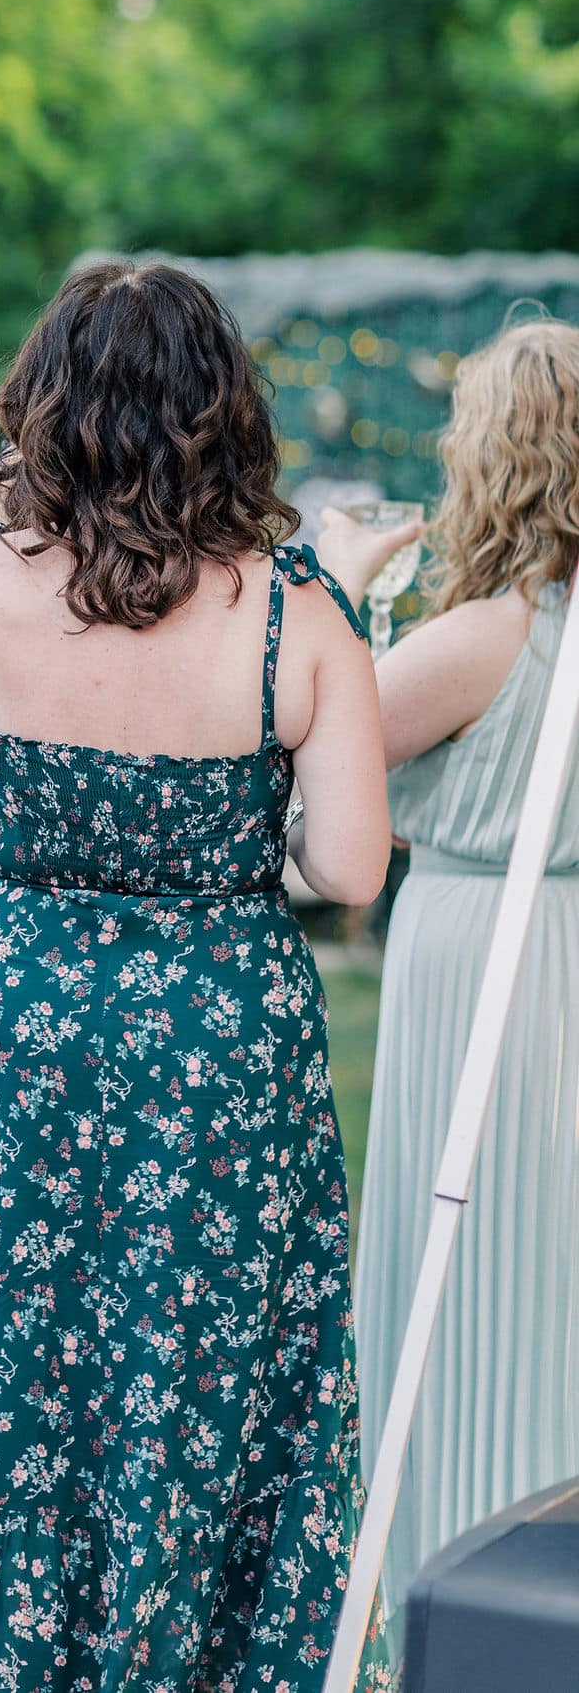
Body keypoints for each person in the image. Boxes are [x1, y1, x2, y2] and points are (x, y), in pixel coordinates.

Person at [0, 262, 395, 1692]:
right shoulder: (298, 616)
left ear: (44, 414)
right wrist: (352, 609)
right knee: (197, 1374)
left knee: (0, 1359)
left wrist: (15, 475)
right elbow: (352, 868)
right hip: (215, 1029)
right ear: (226, 415)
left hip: (23, 1014)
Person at [320, 317, 579, 1631]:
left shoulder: (489, 636)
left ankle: (440, 1568)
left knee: (460, 1252)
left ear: (493, 458)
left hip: (486, 958)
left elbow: (321, 758)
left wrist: (341, 589)